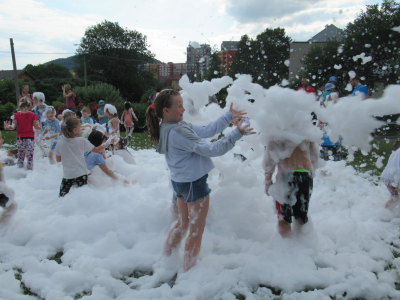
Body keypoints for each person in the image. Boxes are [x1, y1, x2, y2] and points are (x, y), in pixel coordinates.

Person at [145, 89, 255, 271]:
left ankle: (167, 258)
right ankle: (188, 270)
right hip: (193, 185)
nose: (183, 109)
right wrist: (237, 133)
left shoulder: (170, 127)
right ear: (165, 110)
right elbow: (213, 150)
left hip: (180, 184)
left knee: (183, 223)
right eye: (179, 106)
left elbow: (206, 130)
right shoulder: (178, 133)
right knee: (196, 230)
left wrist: (228, 116)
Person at [264, 139, 319, 238]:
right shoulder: (304, 127)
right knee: (301, 216)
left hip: (287, 175)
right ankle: (303, 245)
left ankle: (287, 247)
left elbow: (270, 158)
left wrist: (268, 181)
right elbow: (314, 154)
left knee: (284, 218)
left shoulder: (277, 129)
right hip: (306, 174)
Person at [55, 118, 117, 197]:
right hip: (81, 174)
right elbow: (96, 150)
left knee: (62, 196)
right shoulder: (82, 140)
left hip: (68, 175)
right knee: (83, 196)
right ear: (74, 130)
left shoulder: (60, 143)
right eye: (79, 128)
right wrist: (108, 142)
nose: (80, 130)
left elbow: (58, 159)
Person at [4, 97, 41, 170]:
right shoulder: (33, 115)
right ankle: (29, 172)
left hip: (20, 138)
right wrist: (40, 127)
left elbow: (13, 127)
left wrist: (7, 127)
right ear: (29, 106)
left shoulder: (16, 115)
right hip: (30, 138)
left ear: (20, 106)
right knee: (30, 156)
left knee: (21, 155)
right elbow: (36, 127)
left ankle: (19, 170)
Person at [381, 140, 400, 209]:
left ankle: (386, 213)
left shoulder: (395, 151)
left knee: (395, 199)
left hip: (387, 178)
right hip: (396, 178)